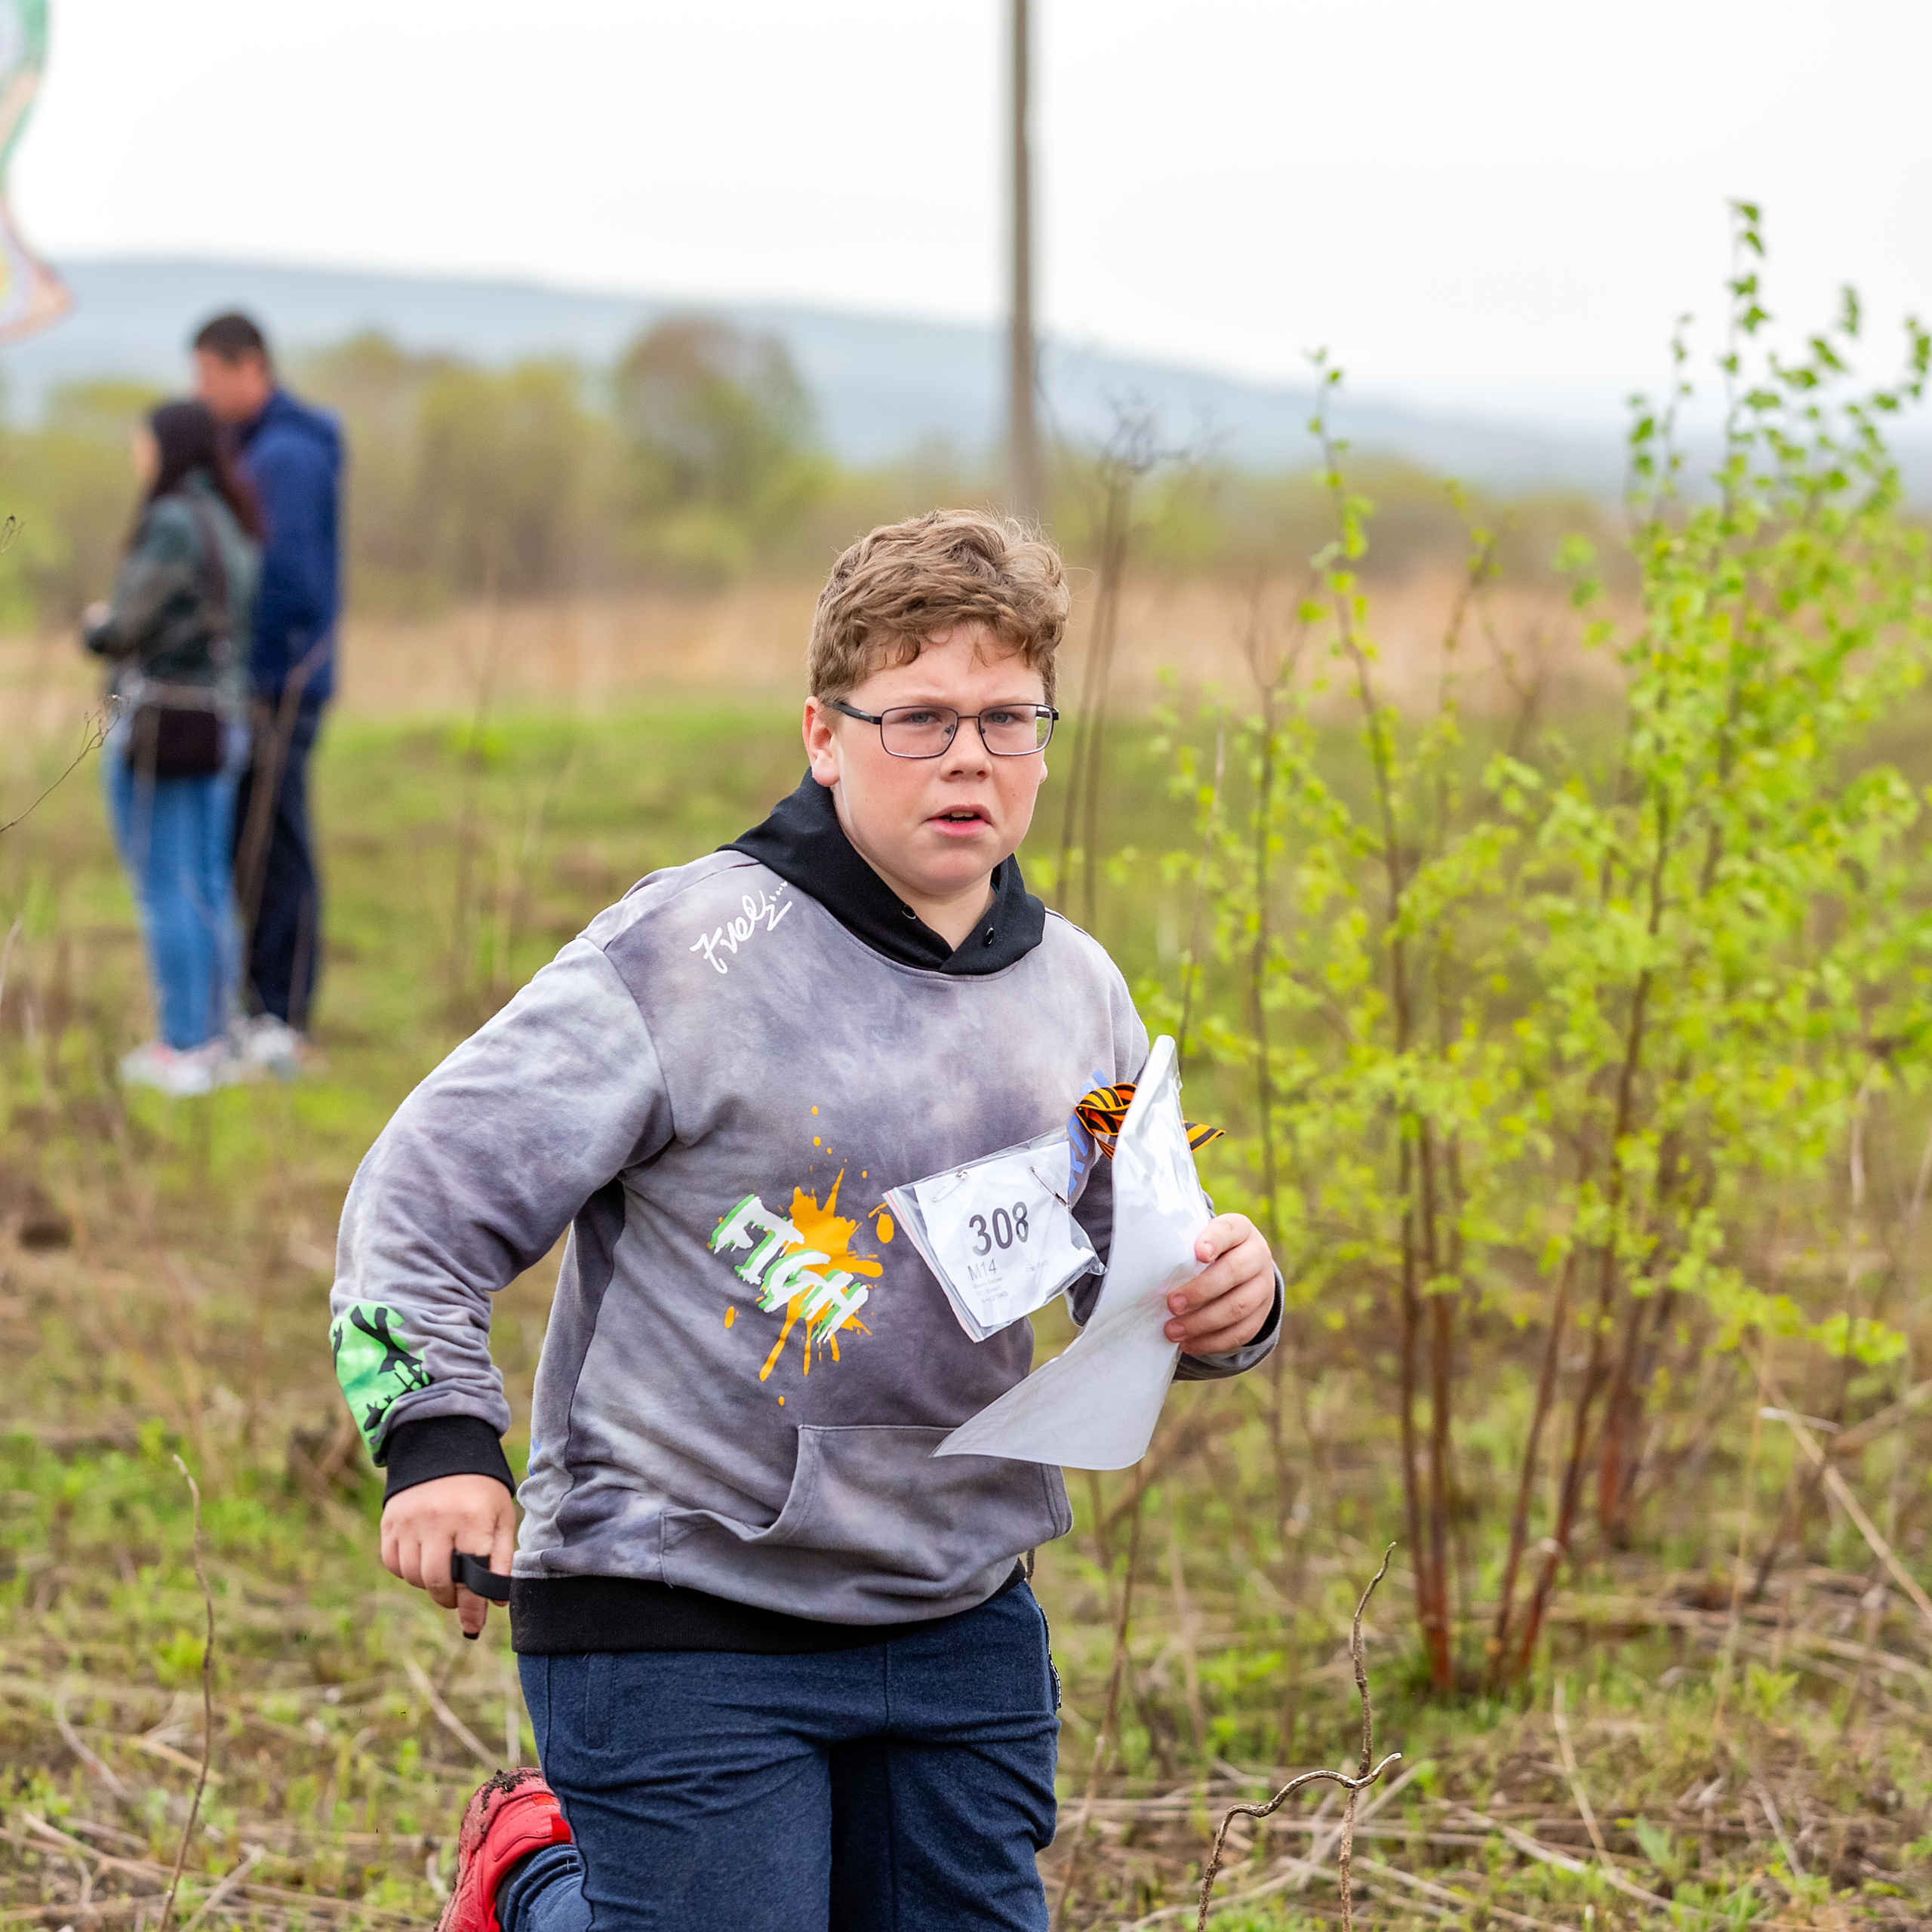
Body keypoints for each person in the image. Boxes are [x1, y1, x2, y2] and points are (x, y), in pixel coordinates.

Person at [330, 512, 1284, 1932]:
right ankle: (532, 1883)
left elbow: (1132, 1259)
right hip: (678, 1598)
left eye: (1008, 719)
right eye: (918, 719)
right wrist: (439, 1447)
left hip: (960, 1605)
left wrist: (1229, 1303)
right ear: (823, 735)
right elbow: (420, 1197)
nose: (969, 757)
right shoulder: (684, 958)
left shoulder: (1080, 992)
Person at [83, 400, 261, 1097]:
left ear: (167, 447)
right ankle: (217, 1039)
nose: (137, 454)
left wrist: (95, 626)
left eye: (142, 442)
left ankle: (184, 1046)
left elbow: (124, 626)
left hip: (168, 722)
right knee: (207, 882)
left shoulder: (172, 521)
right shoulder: (231, 517)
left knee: (166, 886)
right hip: (225, 719)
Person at [192, 310, 343, 1074]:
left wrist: (258, 678)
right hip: (260, 683)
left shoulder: (286, 457)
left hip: (277, 687)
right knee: (248, 845)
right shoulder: (253, 449)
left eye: (210, 377)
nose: (203, 392)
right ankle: (260, 1007)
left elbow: (287, 584)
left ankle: (285, 1014)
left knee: (276, 847)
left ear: (251, 367)